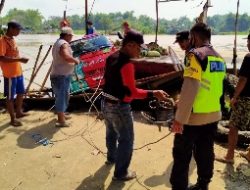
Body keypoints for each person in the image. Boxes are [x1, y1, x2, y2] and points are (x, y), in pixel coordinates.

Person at [101, 30, 169, 181]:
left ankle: (111, 158)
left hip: (105, 102)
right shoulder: (127, 65)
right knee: (126, 139)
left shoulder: (111, 57)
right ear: (130, 45)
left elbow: (112, 81)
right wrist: (154, 92)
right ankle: (121, 173)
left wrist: (129, 85)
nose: (140, 51)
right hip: (119, 107)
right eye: (139, 48)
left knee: (111, 133)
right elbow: (132, 93)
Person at [170, 23, 226, 190]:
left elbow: (190, 87)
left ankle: (179, 187)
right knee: (205, 151)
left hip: (193, 118)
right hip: (213, 114)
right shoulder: (219, 58)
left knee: (181, 154)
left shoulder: (195, 55)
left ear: (193, 37)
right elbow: (215, 88)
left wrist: (179, 119)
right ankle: (203, 184)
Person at [216, 33, 250, 164]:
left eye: (248, 41)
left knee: (233, 127)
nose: (247, 44)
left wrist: (235, 97)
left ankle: (229, 156)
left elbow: (242, 79)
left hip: (245, 98)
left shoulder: (248, 58)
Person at [0, 21, 29, 127]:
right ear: (11, 28)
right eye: (18, 29)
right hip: (10, 74)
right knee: (10, 97)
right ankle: (12, 119)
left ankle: (19, 112)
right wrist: (20, 59)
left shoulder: (12, 40)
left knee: (21, 92)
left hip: (18, 72)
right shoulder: (2, 41)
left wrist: (19, 60)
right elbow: (1, 57)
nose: (19, 32)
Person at [50, 26, 80, 127]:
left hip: (62, 74)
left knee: (64, 96)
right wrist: (75, 60)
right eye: (71, 36)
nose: (71, 38)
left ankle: (62, 115)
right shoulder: (63, 44)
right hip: (60, 76)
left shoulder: (59, 42)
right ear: (67, 35)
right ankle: (61, 120)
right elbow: (66, 56)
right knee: (62, 97)